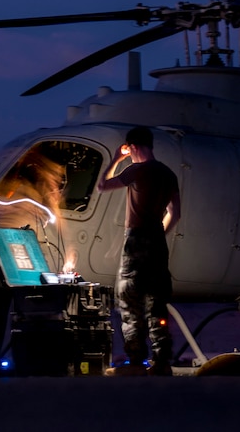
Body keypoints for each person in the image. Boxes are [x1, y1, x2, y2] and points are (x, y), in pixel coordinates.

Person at [96, 126, 181, 376]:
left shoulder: (136, 169)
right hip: (157, 239)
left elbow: (102, 185)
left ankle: (135, 360)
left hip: (135, 240)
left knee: (130, 300)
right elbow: (175, 213)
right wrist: (157, 234)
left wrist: (116, 158)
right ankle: (161, 361)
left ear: (132, 147)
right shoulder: (168, 174)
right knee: (157, 304)